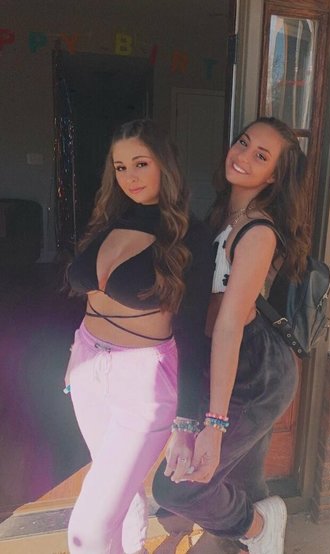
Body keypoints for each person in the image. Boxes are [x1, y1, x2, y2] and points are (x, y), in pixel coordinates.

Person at [153, 117, 311, 553]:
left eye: (261, 156)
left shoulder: (257, 232)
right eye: (243, 143)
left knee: (178, 487)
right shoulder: (221, 216)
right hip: (231, 361)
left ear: (274, 175)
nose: (243, 156)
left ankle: (259, 529)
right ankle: (248, 538)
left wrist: (214, 423)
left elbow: (228, 325)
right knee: (240, 481)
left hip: (254, 371)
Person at [65, 119, 212, 554]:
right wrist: (75, 354)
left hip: (143, 384)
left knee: (87, 530)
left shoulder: (190, 236)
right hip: (88, 369)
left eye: (141, 163)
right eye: (121, 167)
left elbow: (193, 332)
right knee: (120, 492)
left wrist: (187, 422)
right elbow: (86, 299)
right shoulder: (108, 221)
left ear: (165, 165)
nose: (130, 176)